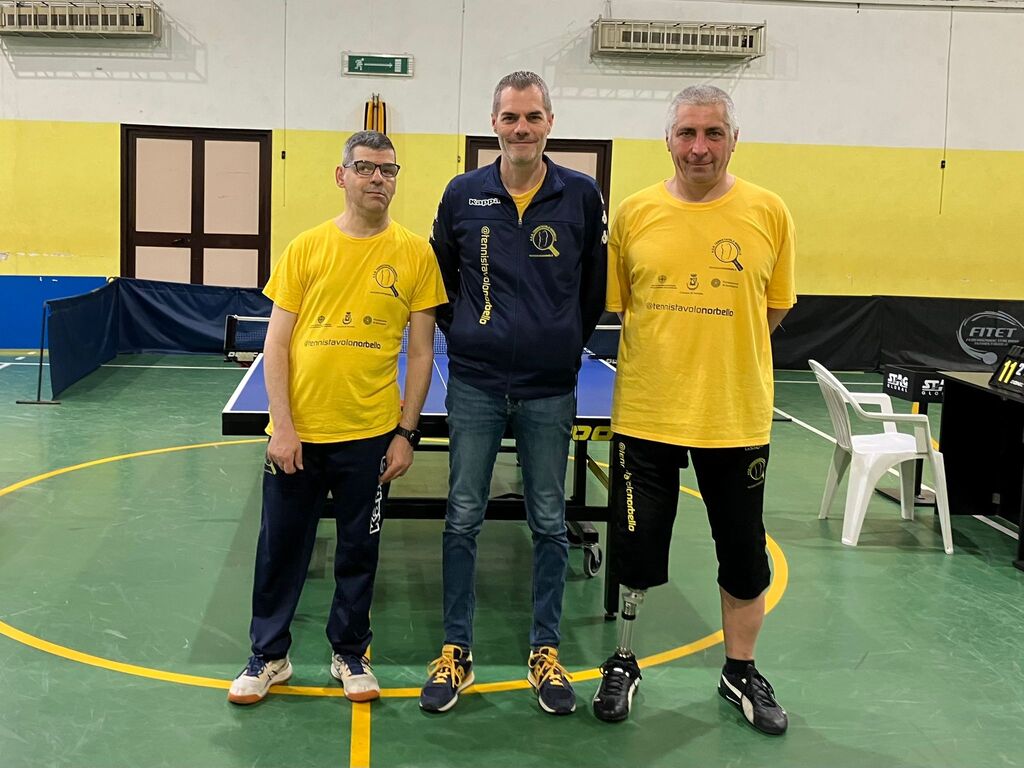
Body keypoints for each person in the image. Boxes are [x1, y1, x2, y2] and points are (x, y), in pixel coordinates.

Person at [592, 85, 796, 735]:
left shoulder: (769, 211)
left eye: (713, 133)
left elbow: (775, 306)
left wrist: (724, 353)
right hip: (646, 412)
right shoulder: (634, 213)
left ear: (734, 139)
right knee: (635, 550)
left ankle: (740, 670)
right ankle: (624, 660)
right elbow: (623, 304)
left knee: (742, 553)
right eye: (687, 133)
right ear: (668, 140)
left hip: (735, 415)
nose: (699, 147)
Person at [228, 130, 448, 705]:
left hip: (370, 435)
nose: (378, 178)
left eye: (388, 170)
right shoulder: (307, 248)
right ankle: (268, 655)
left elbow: (421, 352)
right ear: (341, 175)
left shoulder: (416, 254)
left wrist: (406, 433)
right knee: (280, 550)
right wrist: (283, 426)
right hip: (300, 434)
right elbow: (276, 344)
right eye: (366, 167)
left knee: (359, 551)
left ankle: (350, 651)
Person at [418, 71, 607, 716]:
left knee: (549, 520)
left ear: (550, 122)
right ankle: (456, 649)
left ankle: (545, 650)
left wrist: (562, 341)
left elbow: (592, 288)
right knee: (462, 516)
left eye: (532, 117)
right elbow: (442, 277)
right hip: (475, 383)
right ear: (493, 124)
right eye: (510, 117)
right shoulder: (462, 193)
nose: (521, 128)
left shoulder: (580, 195)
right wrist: (471, 334)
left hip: (549, 389)